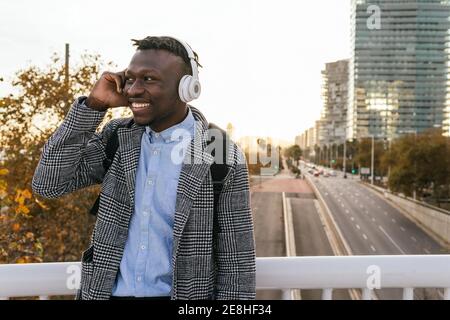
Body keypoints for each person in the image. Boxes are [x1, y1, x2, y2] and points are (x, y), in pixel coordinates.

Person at [32, 36, 256, 300]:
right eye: (130, 78)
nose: (133, 90)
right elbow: (48, 184)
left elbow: (237, 267)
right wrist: (95, 105)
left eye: (149, 79)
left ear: (187, 88)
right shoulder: (117, 137)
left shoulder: (219, 152)